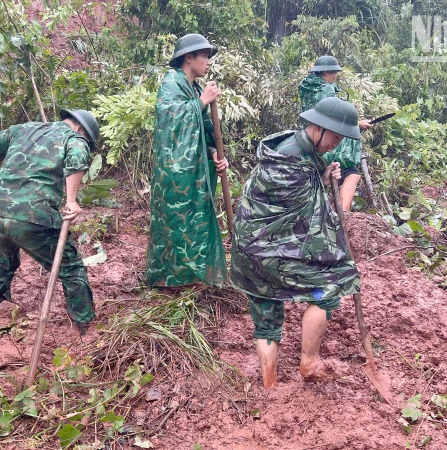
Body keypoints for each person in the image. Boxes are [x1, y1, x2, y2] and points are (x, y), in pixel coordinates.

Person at [230, 97, 362, 388]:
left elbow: (300, 195)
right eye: (336, 137)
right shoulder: (293, 161)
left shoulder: (289, 146)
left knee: (266, 314)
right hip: (270, 252)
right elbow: (308, 218)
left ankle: (270, 387)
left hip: (250, 249)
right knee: (328, 287)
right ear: (318, 128)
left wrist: (322, 176)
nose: (336, 145)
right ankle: (309, 362)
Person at [0, 109, 99, 334]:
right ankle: (85, 326)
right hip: (33, 214)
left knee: (4, 260)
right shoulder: (74, 138)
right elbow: (77, 158)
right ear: (81, 128)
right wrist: (71, 200)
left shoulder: (23, 129)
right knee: (71, 267)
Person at [145, 33, 229, 289]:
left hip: (195, 170)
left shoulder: (192, 87)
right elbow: (170, 122)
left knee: (196, 220)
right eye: (204, 56)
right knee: (176, 223)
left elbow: (204, 129)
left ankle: (193, 277)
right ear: (188, 57)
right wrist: (202, 102)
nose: (208, 61)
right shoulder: (171, 83)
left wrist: (214, 151)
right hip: (174, 171)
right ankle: (170, 280)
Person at [298, 55, 372, 211]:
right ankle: (343, 213)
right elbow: (330, 119)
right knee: (352, 172)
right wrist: (358, 124)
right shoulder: (325, 88)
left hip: (311, 134)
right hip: (324, 138)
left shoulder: (306, 86)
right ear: (325, 73)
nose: (335, 76)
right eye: (333, 73)